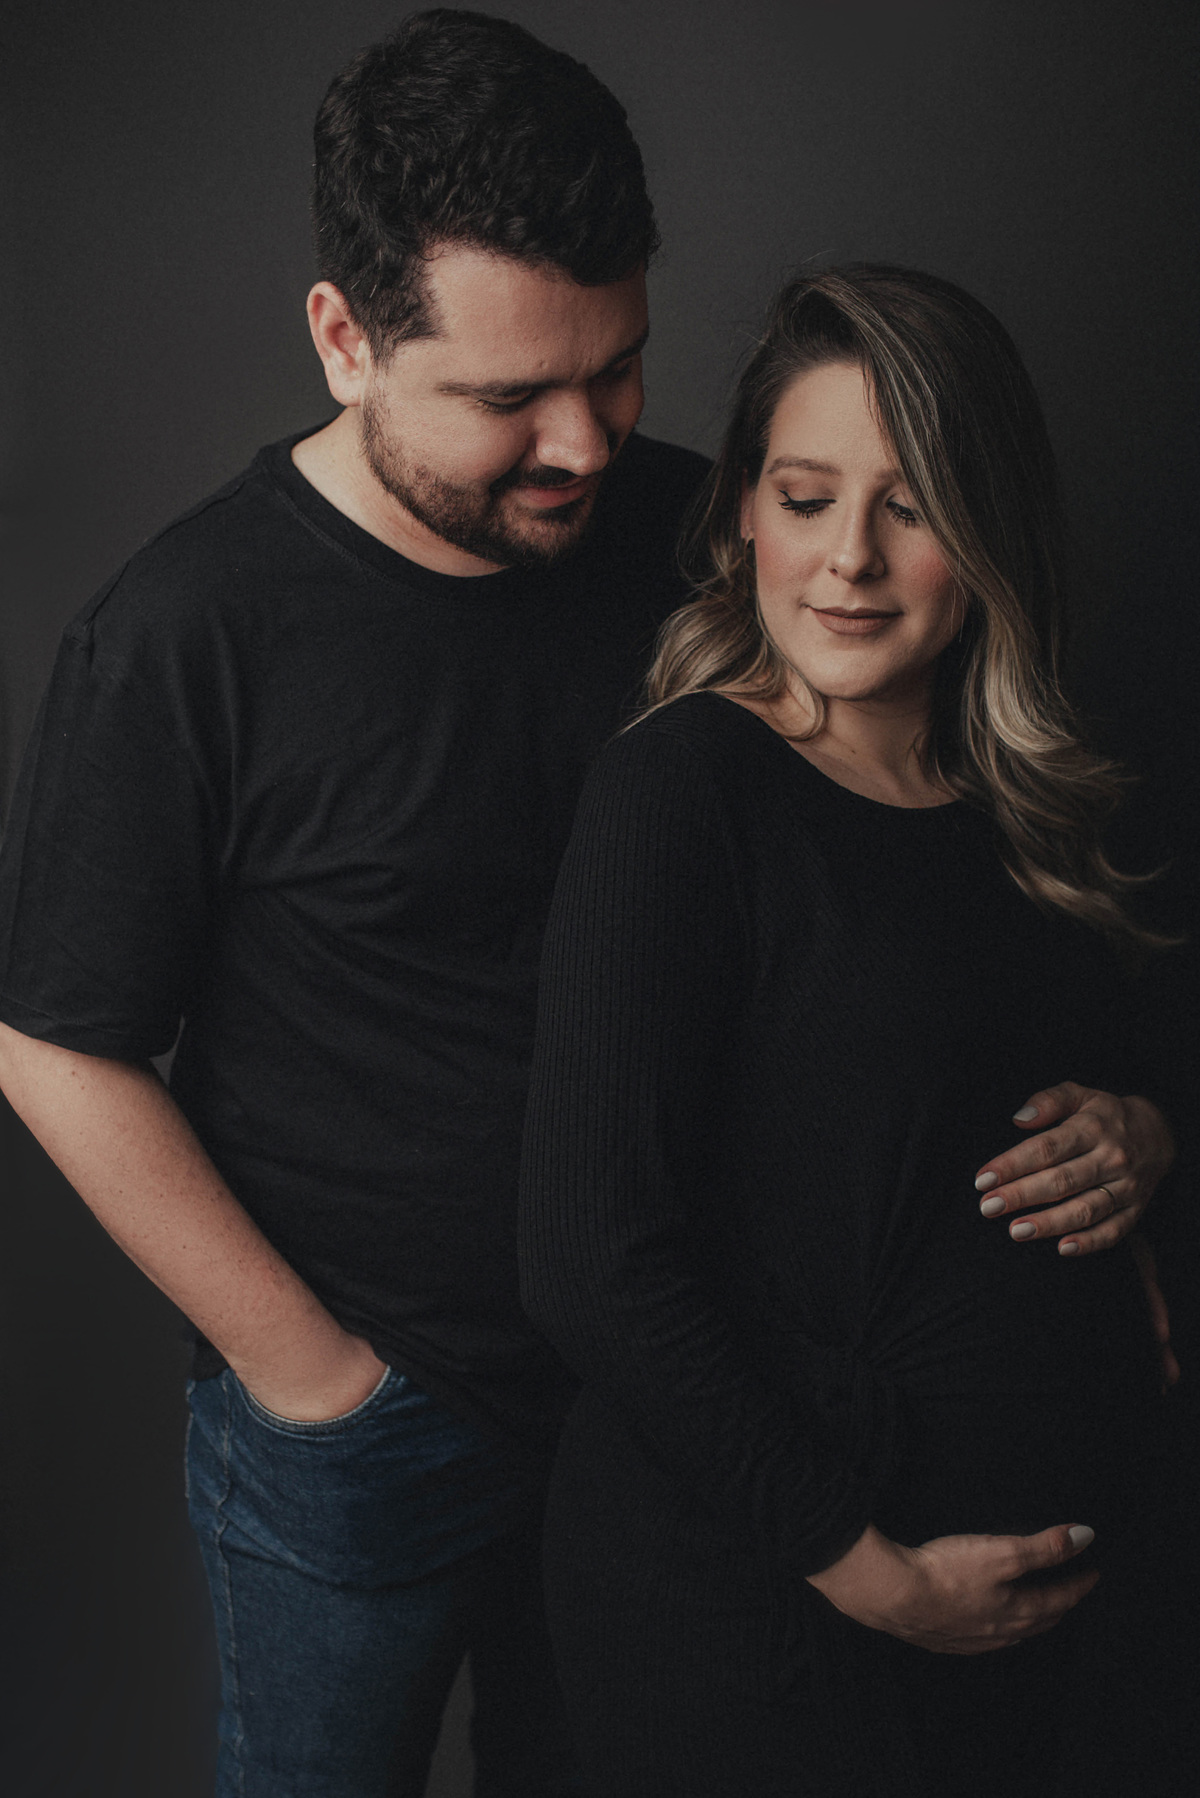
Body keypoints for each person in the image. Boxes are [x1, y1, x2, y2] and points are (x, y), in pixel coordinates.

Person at [0, 13, 1173, 1793]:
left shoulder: (712, 535)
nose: (580, 441)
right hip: (378, 1417)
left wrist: (1134, 1125)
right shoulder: (183, 639)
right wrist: (318, 1379)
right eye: (507, 399)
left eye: (615, 367)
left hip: (676, 1407)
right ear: (344, 340)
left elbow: (909, 903)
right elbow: (56, 1042)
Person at [519, 265, 1178, 1797]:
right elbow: (588, 1258)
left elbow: (1029, 1081)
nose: (850, 560)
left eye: (912, 507)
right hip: (764, 1619)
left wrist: (1152, 1133)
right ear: (744, 513)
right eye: (808, 497)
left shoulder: (1021, 807)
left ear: (990, 532)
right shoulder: (682, 794)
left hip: (1036, 1657)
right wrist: (875, 1574)